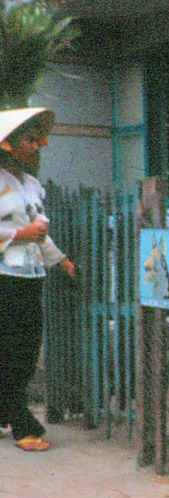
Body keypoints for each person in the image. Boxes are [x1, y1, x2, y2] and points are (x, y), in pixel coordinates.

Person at [0, 107, 75, 452]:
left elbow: (40, 233)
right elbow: (24, 231)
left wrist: (61, 261)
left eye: (37, 139)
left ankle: (4, 411)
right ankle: (22, 423)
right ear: (9, 145)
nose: (37, 146)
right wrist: (19, 234)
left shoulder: (30, 184)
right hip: (4, 276)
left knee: (26, 349)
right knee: (13, 351)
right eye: (29, 140)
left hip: (31, 275)